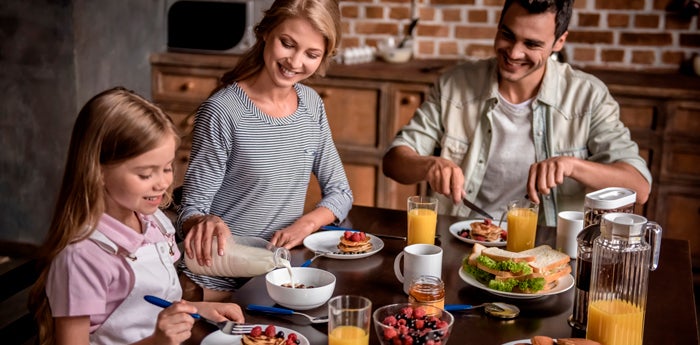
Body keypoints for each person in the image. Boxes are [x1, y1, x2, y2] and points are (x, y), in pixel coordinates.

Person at [382, 0, 652, 226]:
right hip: (463, 237)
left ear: (559, 42)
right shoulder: (455, 83)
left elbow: (638, 188)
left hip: (546, 249)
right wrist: (428, 165)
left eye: (532, 44)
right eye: (507, 35)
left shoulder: (588, 95)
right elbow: (394, 162)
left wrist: (571, 165)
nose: (514, 53)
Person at [27, 87, 244, 345]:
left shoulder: (152, 221)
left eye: (167, 168)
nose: (162, 183)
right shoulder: (82, 257)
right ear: (98, 171)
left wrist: (195, 310)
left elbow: (149, 303)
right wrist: (155, 341)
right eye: (145, 174)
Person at [177, 0, 353, 301]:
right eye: (288, 44)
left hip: (279, 278)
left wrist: (305, 224)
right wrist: (203, 221)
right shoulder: (223, 111)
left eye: (311, 54)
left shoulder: (312, 106)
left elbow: (340, 192)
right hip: (216, 288)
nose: (296, 62)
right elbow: (189, 211)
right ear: (265, 33)